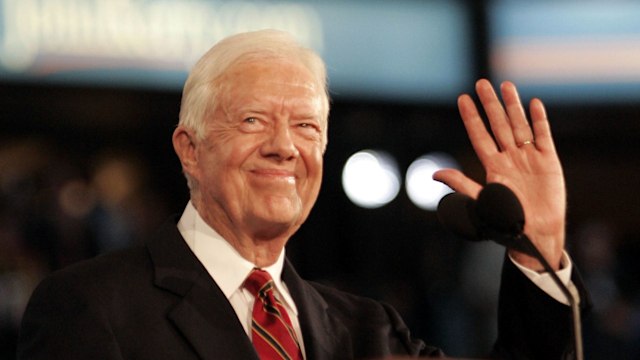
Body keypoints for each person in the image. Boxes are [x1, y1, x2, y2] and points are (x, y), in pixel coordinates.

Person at [17, 29, 587, 359]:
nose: (285, 148)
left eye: (308, 127)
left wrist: (538, 255)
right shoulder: (90, 308)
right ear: (190, 149)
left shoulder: (370, 333)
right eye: (252, 121)